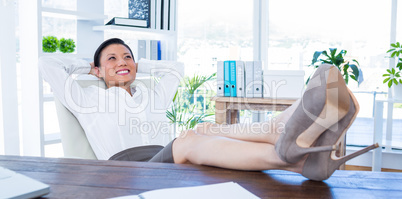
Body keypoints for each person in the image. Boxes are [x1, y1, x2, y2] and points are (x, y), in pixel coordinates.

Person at [40, 38, 378, 181]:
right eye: (112, 58)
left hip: (160, 160)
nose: (123, 62)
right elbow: (47, 63)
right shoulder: (85, 95)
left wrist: (132, 68)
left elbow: (175, 67)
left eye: (127, 56)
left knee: (200, 132)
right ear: (96, 69)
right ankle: (285, 154)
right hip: (126, 171)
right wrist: (94, 71)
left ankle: (296, 149)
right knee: (188, 140)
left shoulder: (149, 91)